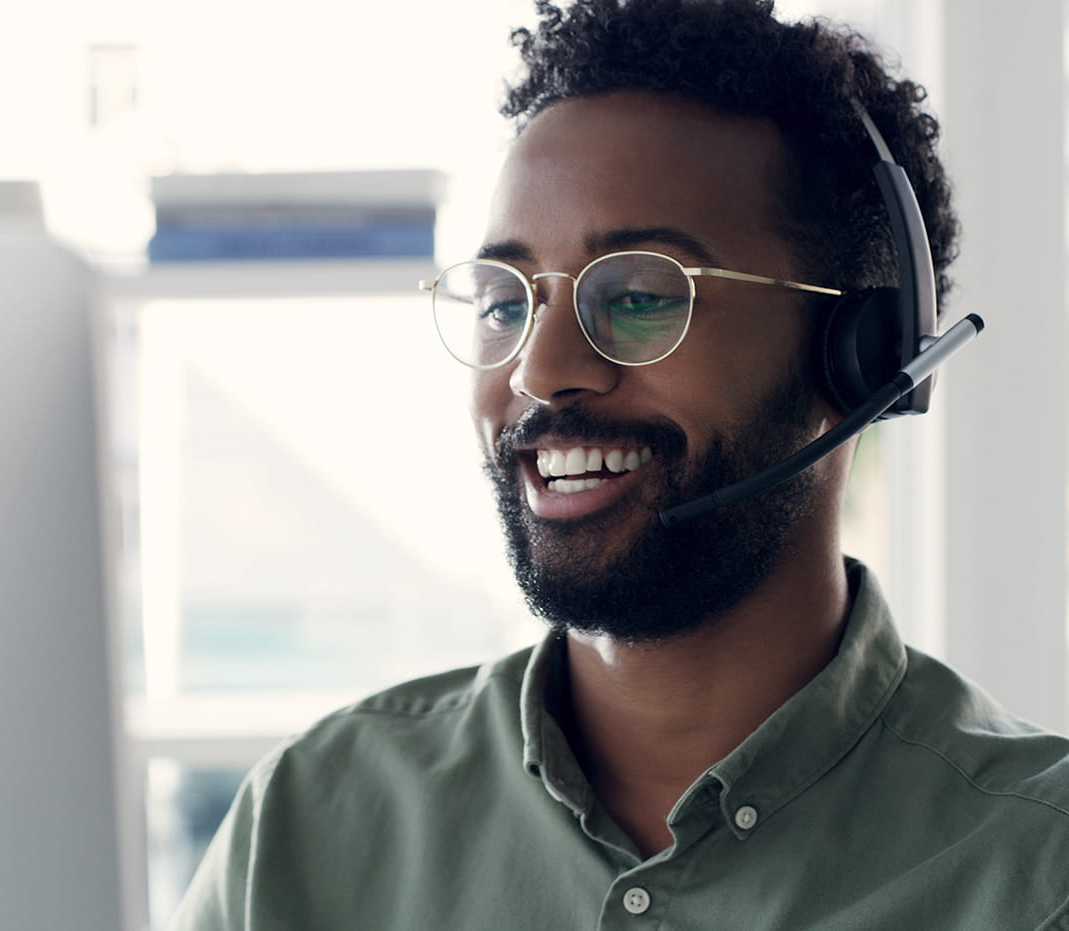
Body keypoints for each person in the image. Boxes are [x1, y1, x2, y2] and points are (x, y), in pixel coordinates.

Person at [170, 1, 1069, 927]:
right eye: (509, 303)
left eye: (639, 296)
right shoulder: (308, 822)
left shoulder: (1037, 869)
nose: (541, 370)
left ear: (861, 355)